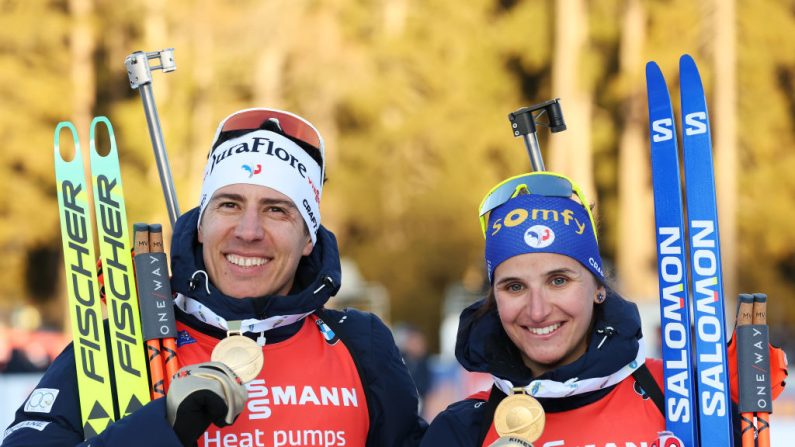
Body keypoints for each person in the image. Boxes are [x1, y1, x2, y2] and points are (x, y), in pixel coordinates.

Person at [2, 108, 427, 447]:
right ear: (201, 224)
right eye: (228, 204)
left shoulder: (360, 344)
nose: (248, 232)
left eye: (277, 210)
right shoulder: (124, 348)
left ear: (309, 239)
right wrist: (161, 426)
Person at [420, 171, 785, 446]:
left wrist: (737, 409)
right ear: (494, 299)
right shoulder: (463, 429)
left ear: (598, 288)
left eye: (558, 280)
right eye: (514, 287)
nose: (537, 310)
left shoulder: (677, 396)